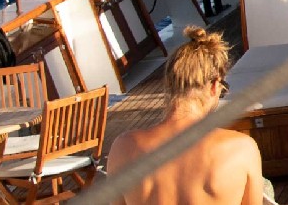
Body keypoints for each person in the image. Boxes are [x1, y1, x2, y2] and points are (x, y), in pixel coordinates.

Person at [106, 28, 271, 205]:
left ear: (168, 83)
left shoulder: (123, 148)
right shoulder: (240, 149)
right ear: (214, 85)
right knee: (266, 187)